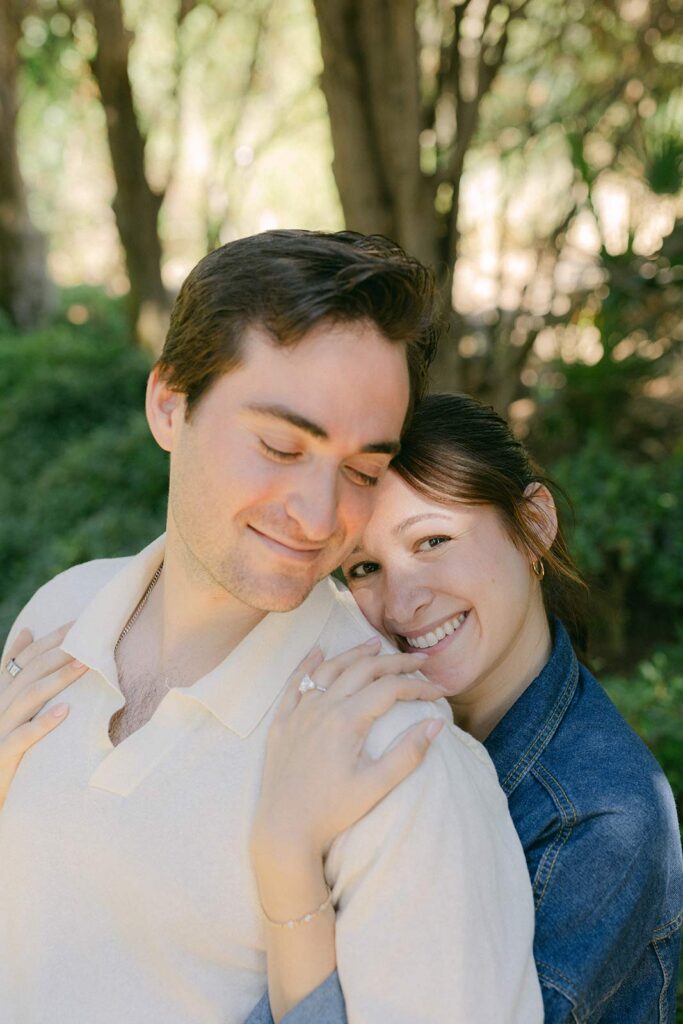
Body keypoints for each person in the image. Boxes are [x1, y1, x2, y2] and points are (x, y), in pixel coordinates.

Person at [0, 232, 543, 1023]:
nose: (321, 517)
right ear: (168, 405)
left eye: (362, 471)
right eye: (281, 447)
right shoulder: (58, 615)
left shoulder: (398, 756)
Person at [242, 393, 683, 1024]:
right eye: (365, 567)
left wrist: (288, 852)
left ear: (533, 525)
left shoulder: (601, 819)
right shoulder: (362, 715)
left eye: (433, 540)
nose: (401, 604)